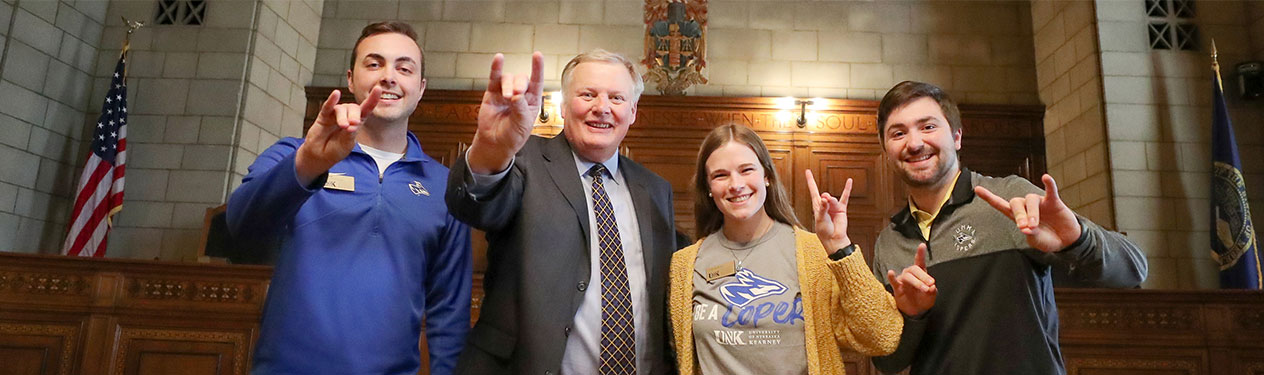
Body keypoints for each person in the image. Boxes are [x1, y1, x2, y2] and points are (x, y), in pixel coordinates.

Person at [225, 21, 473, 374]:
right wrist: (307, 165)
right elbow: (240, 226)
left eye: (404, 68)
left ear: (420, 89)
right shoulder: (292, 155)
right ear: (351, 79)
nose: (389, 76)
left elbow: (449, 314)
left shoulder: (445, 186)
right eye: (374, 64)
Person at [869, 81, 1148, 375]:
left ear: (957, 137)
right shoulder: (890, 242)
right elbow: (888, 362)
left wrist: (1077, 240)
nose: (914, 143)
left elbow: (1134, 269)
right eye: (898, 133)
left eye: (927, 127)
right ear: (886, 149)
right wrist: (914, 317)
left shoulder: (1011, 197)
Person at [446, 49, 676, 375]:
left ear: (633, 111)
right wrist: (489, 149)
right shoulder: (522, 161)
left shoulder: (654, 189)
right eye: (588, 94)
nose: (602, 107)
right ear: (564, 106)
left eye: (617, 98)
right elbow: (473, 204)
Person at [668, 124, 901, 374]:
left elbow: (883, 336)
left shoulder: (813, 252)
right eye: (720, 175)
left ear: (766, 176)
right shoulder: (685, 264)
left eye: (747, 170)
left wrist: (840, 248)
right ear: (709, 188)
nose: (735, 184)